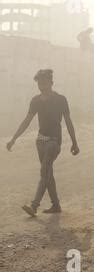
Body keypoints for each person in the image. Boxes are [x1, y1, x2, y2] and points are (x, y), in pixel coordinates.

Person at [6, 69, 80, 217]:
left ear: (51, 82)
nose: (42, 85)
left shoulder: (61, 100)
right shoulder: (35, 101)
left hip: (54, 141)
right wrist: (14, 138)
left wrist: (74, 142)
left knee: (44, 171)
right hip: (40, 141)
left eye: (44, 82)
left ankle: (34, 205)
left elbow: (68, 121)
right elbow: (27, 121)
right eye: (39, 82)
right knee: (48, 173)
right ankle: (56, 205)